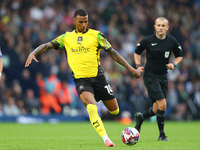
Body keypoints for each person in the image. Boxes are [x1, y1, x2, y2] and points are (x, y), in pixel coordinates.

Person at [25, 9, 141, 147]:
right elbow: (47, 45)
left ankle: (101, 98)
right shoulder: (66, 37)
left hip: (98, 78)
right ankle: (106, 139)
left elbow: (113, 53)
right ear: (74, 21)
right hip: (81, 80)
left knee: (115, 110)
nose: (84, 24)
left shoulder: (96, 35)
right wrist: (33, 53)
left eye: (86, 21)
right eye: (80, 22)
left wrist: (132, 69)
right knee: (92, 108)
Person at [134, 17, 183, 141]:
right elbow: (136, 52)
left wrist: (174, 64)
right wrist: (138, 66)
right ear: (155, 27)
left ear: (167, 28)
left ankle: (141, 118)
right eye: (158, 25)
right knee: (163, 104)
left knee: (157, 109)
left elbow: (179, 56)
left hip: (163, 76)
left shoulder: (172, 41)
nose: (160, 28)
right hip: (150, 76)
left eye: (163, 25)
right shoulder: (148, 40)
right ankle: (162, 135)